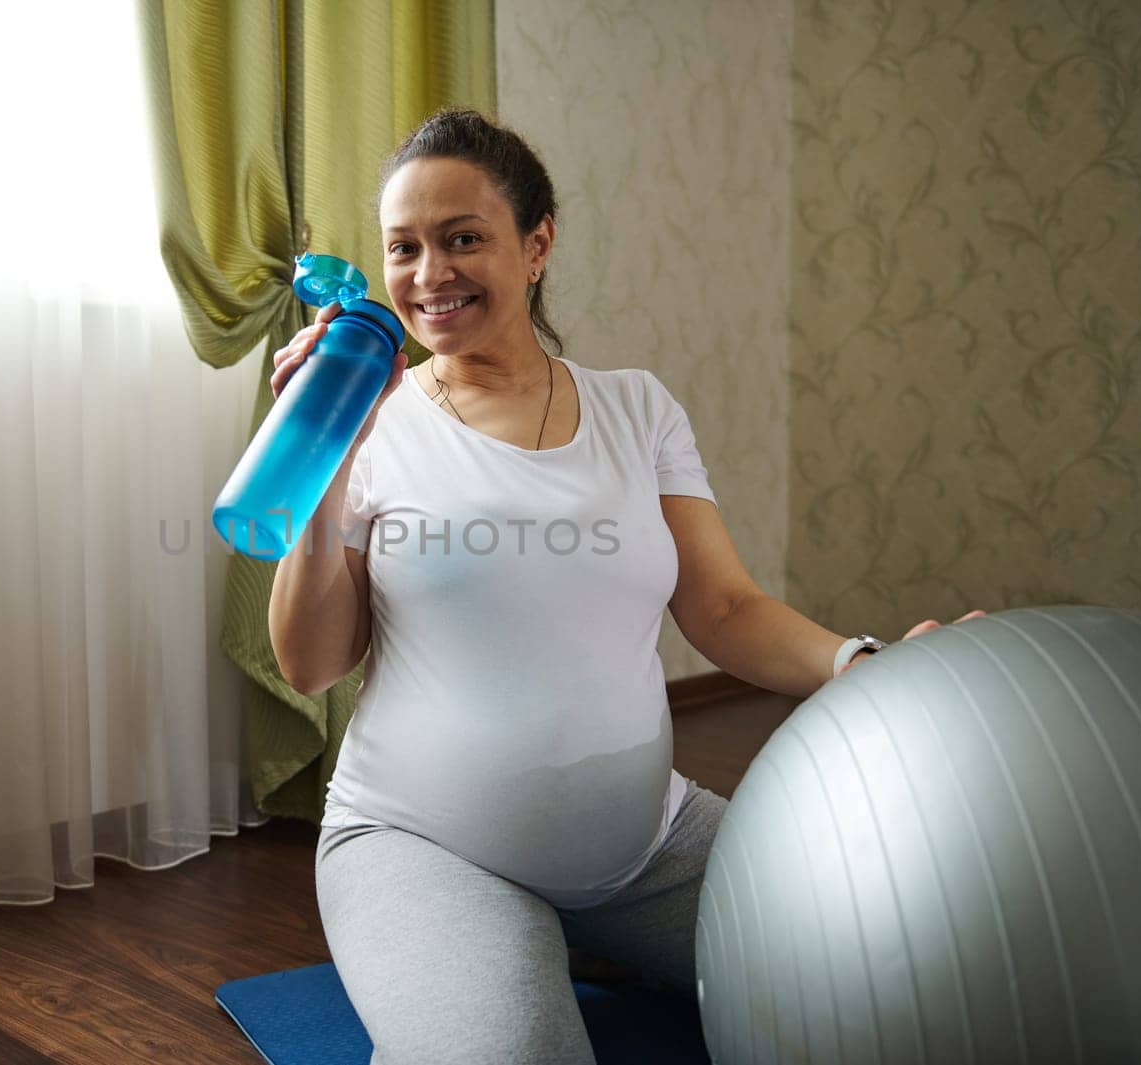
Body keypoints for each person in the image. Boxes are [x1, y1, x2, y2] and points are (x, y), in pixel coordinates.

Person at [266, 110, 979, 1065]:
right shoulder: (367, 418)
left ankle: (588, 932)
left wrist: (867, 666)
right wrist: (323, 471)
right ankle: (514, 943)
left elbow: (722, 606)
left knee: (904, 978)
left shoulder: (638, 407)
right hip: (424, 844)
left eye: (463, 238)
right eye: (405, 247)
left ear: (538, 243)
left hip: (644, 845)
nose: (429, 274)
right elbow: (311, 664)